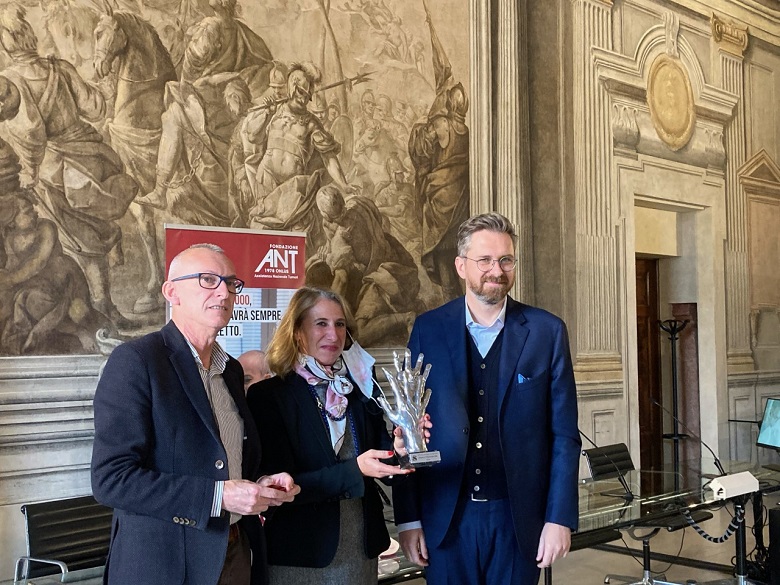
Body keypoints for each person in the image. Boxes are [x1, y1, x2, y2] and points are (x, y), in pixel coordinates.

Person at [91, 243, 300, 584]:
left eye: (231, 283)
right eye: (207, 279)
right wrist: (218, 496)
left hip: (233, 554)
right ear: (171, 292)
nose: (224, 291)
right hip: (163, 565)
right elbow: (111, 480)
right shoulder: (137, 361)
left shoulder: (230, 370)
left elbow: (225, 460)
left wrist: (261, 484)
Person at [392, 213, 581, 584]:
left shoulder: (547, 332)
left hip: (518, 520)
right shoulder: (428, 329)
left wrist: (559, 518)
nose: (497, 270)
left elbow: (564, 436)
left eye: (506, 260)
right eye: (485, 260)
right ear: (461, 266)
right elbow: (408, 425)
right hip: (446, 520)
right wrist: (409, 518)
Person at [246, 286, 418, 584]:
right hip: (301, 555)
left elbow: (384, 461)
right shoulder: (269, 396)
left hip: (360, 552)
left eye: (340, 324)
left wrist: (401, 449)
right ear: (298, 332)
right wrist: (355, 470)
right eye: (321, 324)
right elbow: (281, 485)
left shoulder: (361, 387)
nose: (333, 334)